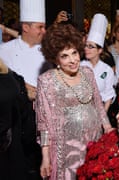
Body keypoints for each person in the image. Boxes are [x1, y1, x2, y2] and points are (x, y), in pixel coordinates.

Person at [36, 23, 114, 180]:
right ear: (55, 58)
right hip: (66, 148)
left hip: (94, 141)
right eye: (65, 56)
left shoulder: (87, 72)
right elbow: (43, 123)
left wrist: (108, 129)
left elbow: (98, 105)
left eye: (74, 53)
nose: (72, 60)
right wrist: (45, 157)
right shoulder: (47, 81)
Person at [0, 1, 50, 179]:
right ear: (26, 27)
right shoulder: (4, 50)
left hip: (40, 120)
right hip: (12, 124)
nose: (44, 31)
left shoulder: (48, 53)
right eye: (40, 27)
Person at [81, 13, 116, 112]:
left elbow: (109, 95)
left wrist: (102, 118)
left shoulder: (107, 70)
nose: (86, 49)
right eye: (86, 45)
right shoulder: (79, 66)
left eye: (91, 46)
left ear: (99, 50)